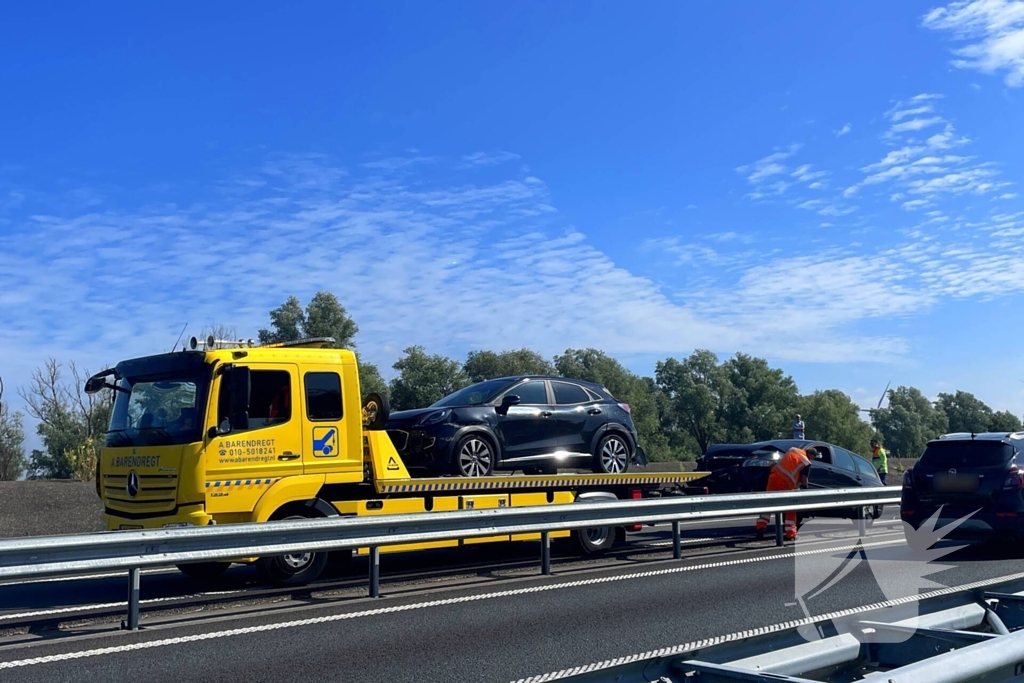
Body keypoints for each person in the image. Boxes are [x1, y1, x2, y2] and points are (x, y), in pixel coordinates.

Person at [755, 446, 816, 541]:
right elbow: (804, 478)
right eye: (813, 458)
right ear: (811, 455)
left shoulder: (793, 450)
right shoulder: (806, 462)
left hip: (774, 476)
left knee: (768, 503)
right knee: (791, 508)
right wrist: (804, 487)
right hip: (786, 482)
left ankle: (761, 527)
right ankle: (790, 533)